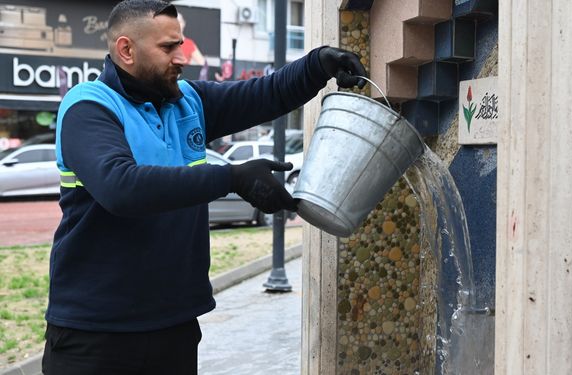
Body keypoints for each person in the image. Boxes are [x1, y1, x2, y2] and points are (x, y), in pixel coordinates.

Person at [41, 1, 366, 374]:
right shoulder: (88, 107)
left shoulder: (187, 101)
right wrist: (231, 177)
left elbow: (265, 93)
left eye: (180, 44)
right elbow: (121, 187)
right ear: (126, 50)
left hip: (175, 326)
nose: (182, 57)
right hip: (96, 335)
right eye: (168, 48)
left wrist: (318, 64)